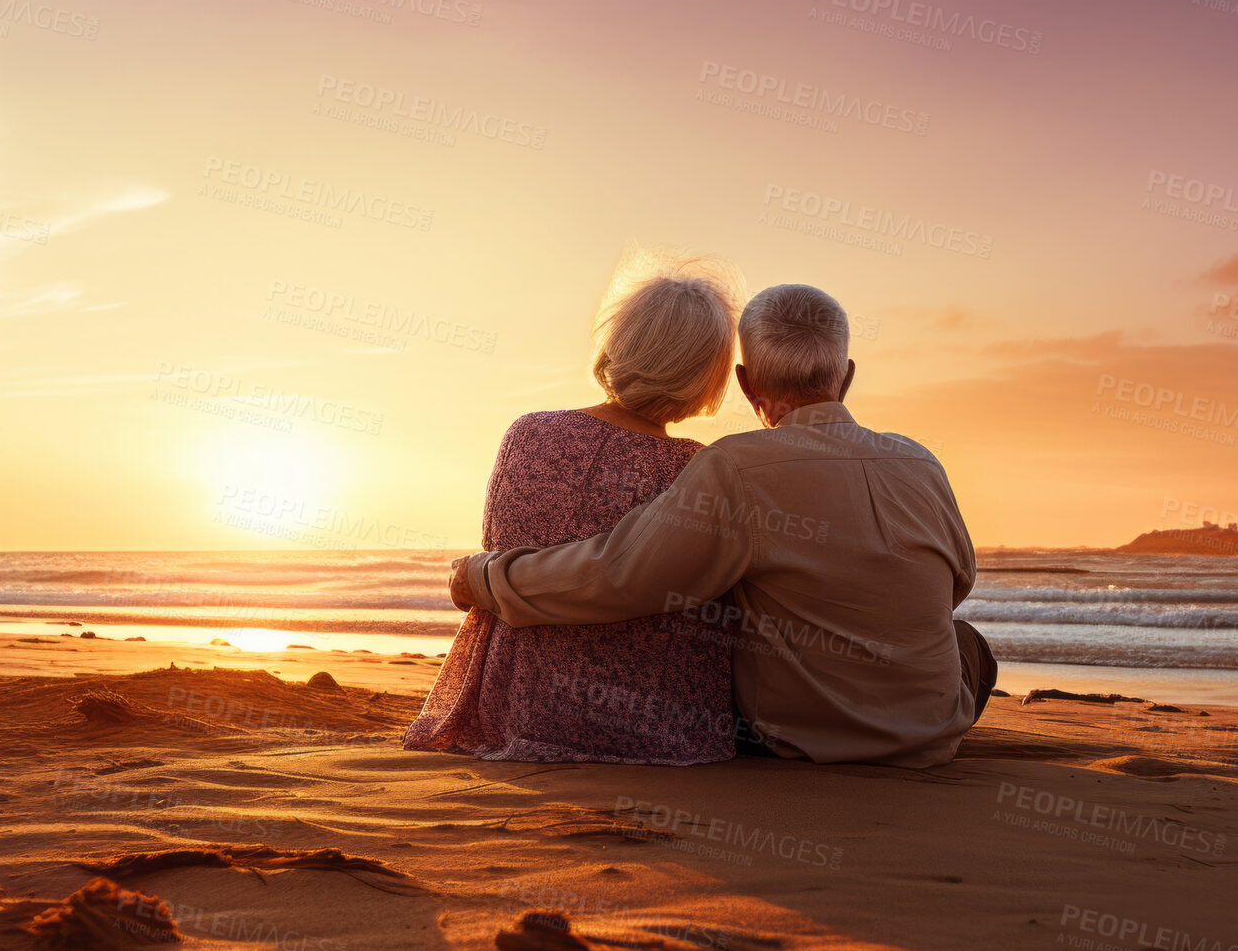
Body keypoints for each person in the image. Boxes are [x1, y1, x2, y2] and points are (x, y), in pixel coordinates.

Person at [451, 284, 995, 768]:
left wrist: (485, 578)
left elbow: (622, 576)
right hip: (933, 738)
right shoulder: (922, 463)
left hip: (796, 741)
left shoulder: (737, 466)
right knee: (970, 645)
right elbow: (956, 584)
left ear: (745, 382)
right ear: (847, 375)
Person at [404, 271, 741, 764]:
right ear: (703, 376)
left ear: (619, 345)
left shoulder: (528, 434)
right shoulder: (695, 468)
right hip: (652, 721)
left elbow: (500, 545)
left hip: (519, 704)